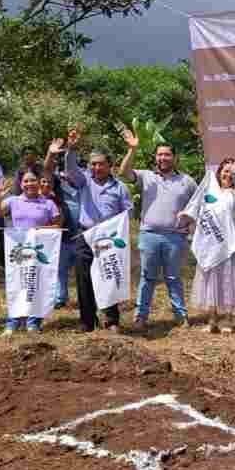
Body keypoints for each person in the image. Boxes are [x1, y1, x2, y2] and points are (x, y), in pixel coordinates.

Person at [54, 130, 133, 332]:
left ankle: (112, 319)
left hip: (108, 239)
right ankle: (87, 321)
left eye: (101, 164)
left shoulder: (120, 187)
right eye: (93, 164)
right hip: (85, 235)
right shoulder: (84, 182)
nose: (97, 167)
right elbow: (71, 170)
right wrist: (71, 149)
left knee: (109, 275)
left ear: (110, 166)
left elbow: (128, 212)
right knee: (83, 278)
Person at [119, 127, 197, 328]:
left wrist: (190, 221)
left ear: (174, 158)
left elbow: (199, 205)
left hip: (175, 237)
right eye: (160, 154)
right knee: (147, 277)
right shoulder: (146, 176)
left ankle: (180, 315)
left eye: (167, 154)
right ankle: (141, 316)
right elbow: (123, 173)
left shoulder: (187, 181)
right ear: (155, 157)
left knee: (174, 278)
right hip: (149, 235)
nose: (163, 158)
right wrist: (132, 149)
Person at [179, 157, 235, 333]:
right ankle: (212, 320)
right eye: (225, 171)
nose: (228, 174)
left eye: (230, 172)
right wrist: (186, 215)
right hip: (210, 243)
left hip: (229, 244)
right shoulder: (209, 190)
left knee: (228, 280)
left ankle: (227, 320)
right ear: (219, 173)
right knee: (211, 280)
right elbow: (195, 208)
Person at [0, 172, 62, 334]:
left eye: (33, 180)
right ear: (21, 184)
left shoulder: (48, 203)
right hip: (18, 251)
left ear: (39, 183)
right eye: (26, 181)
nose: (29, 183)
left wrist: (38, 230)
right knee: (18, 284)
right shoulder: (13, 201)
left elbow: (57, 226)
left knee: (37, 285)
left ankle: (33, 323)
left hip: (40, 251)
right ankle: (13, 322)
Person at [43, 149, 81, 309]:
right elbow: (47, 171)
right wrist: (50, 154)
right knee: (61, 269)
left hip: (83, 235)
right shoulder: (58, 182)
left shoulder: (85, 181)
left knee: (85, 271)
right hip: (64, 235)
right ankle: (61, 297)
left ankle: (86, 298)